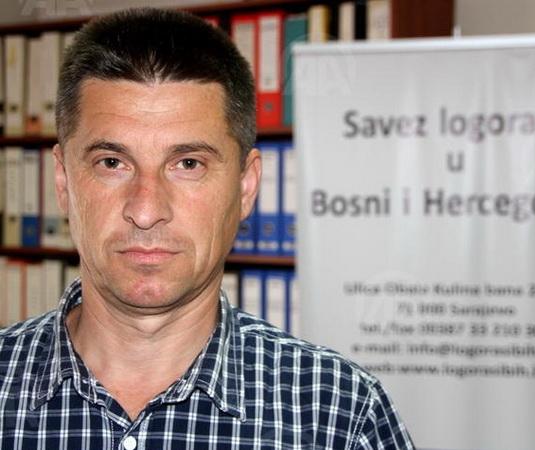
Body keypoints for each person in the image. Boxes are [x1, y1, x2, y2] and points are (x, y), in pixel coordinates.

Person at [0, 8, 414, 449]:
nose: (146, 210)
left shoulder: (341, 415)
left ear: (246, 186)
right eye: (112, 162)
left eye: (188, 164)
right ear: (63, 182)